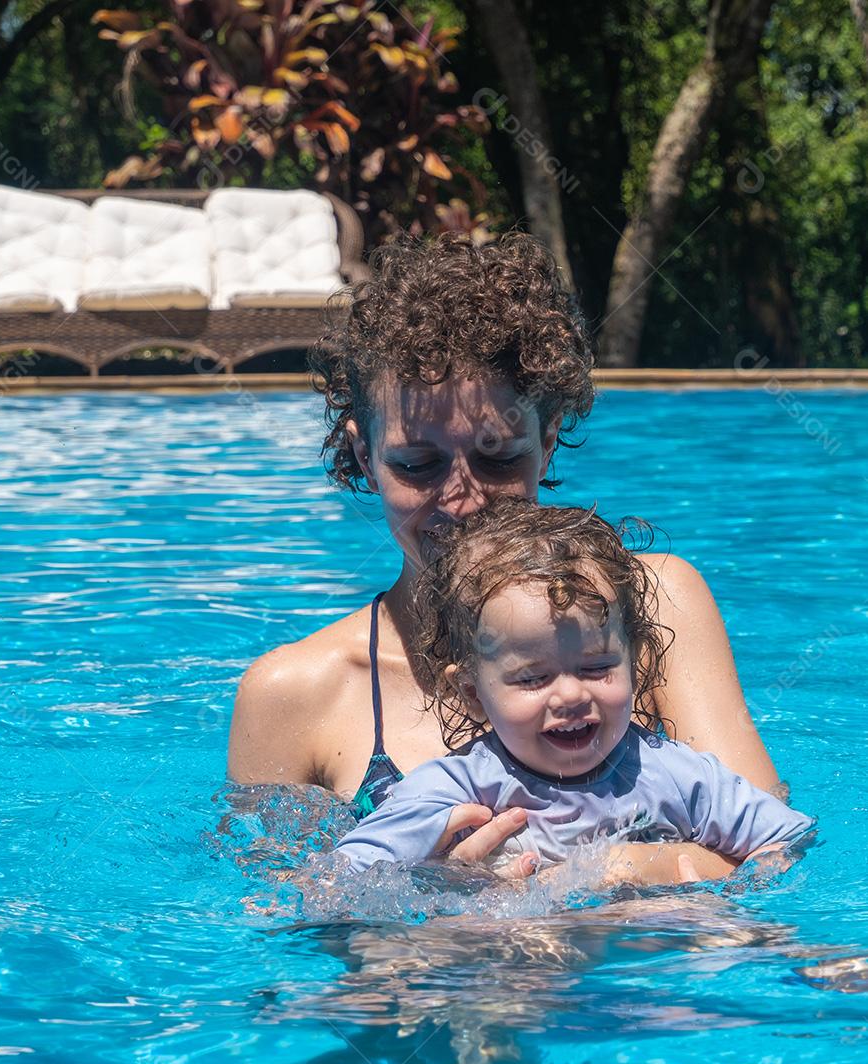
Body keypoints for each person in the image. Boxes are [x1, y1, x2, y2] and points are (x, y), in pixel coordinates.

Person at [228, 231, 780, 883]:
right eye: (418, 464)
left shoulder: (656, 601)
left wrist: (625, 867)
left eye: (497, 458)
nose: (463, 501)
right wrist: (428, 900)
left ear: (547, 443)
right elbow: (276, 933)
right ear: (362, 456)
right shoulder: (295, 694)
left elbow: (773, 862)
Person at [333, 499, 812, 873]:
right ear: (473, 693)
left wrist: (728, 894)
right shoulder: (457, 787)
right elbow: (347, 871)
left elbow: (787, 836)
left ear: (633, 661)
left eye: (597, 667)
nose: (570, 696)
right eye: (533, 678)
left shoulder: (673, 774)